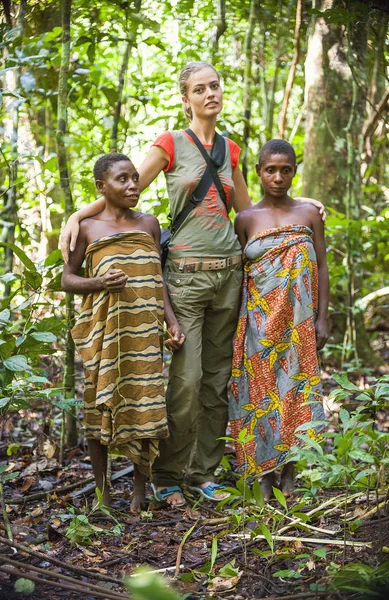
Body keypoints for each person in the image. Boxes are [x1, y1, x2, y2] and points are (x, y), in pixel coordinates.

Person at [60, 62, 325, 507]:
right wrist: (77, 215)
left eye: (215, 86)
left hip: (230, 276)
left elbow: (251, 212)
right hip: (183, 276)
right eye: (200, 89)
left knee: (218, 381)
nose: (210, 94)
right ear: (186, 99)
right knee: (185, 380)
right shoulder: (170, 144)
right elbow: (126, 190)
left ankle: (204, 473)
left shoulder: (232, 150)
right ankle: (167, 473)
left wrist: (303, 203)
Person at [61, 152, 185, 512]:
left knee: (146, 405)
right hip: (104, 331)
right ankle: (102, 496)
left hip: (144, 333)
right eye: (122, 179)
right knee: (100, 408)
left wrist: (172, 322)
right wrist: (99, 282)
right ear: (102, 187)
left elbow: (157, 279)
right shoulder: (86, 228)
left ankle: (139, 492)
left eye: (135, 178)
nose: (133, 185)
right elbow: (67, 279)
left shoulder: (149, 224)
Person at [228, 139, 329, 501]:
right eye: (270, 169)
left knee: (294, 394)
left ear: (294, 171)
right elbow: (240, 276)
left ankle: (289, 473)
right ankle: (263, 476)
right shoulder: (245, 219)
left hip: (298, 323)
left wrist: (323, 317)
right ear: (257, 172)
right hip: (257, 324)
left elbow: (320, 264)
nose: (278, 176)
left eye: (285, 169)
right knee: (259, 397)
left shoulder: (308, 214)